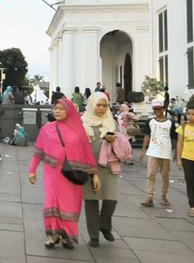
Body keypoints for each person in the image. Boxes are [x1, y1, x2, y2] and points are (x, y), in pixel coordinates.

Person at [28, 97, 97, 249]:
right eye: (56, 108)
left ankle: (67, 235)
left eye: (61, 109)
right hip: (52, 171)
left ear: (69, 111)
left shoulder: (78, 130)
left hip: (72, 174)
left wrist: (94, 174)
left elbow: (87, 153)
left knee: (70, 204)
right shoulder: (47, 128)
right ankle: (52, 235)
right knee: (51, 202)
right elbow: (39, 150)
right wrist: (32, 170)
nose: (57, 111)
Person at [81, 93, 128, 245]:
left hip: (108, 165)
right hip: (88, 165)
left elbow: (120, 139)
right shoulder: (82, 121)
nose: (101, 108)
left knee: (111, 199)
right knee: (91, 201)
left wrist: (112, 140)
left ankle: (104, 225)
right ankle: (93, 235)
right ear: (92, 104)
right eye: (98, 105)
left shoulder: (110, 121)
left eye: (104, 105)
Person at [140, 100, 175, 208]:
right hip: (153, 151)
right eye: (154, 109)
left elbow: (174, 138)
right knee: (151, 174)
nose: (156, 111)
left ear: (163, 109)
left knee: (165, 175)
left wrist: (176, 153)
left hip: (166, 152)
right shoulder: (150, 122)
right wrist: (143, 150)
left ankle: (164, 195)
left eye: (158, 109)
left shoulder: (170, 123)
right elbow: (147, 136)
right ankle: (149, 197)